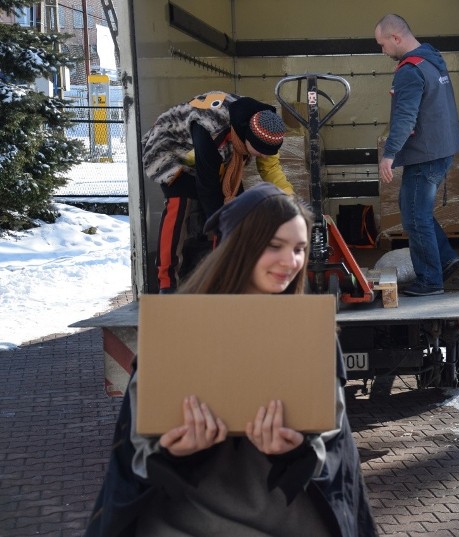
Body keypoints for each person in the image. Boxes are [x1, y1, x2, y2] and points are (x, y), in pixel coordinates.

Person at [85, 183, 377, 537]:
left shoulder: (310, 333)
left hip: (291, 521)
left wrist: (295, 453)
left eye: (299, 249)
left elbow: (332, 448)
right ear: (237, 247)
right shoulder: (177, 331)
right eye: (275, 246)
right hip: (183, 523)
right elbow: (136, 455)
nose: (291, 262)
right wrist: (174, 454)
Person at [141, 92, 295, 293]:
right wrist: (219, 221)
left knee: (237, 211)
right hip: (172, 148)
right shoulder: (211, 128)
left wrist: (289, 199)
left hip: (217, 157)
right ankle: (167, 282)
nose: (265, 155)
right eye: (260, 151)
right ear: (246, 138)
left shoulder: (264, 127)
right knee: (180, 204)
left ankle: (227, 280)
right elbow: (208, 187)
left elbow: (270, 169)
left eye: (269, 152)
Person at [374, 13, 459, 296]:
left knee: (415, 217)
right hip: (441, 148)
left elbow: (405, 119)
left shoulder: (409, 70)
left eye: (383, 45)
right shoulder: (430, 59)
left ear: (395, 38)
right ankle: (446, 258)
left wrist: (388, 154)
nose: (383, 51)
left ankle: (430, 280)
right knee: (413, 208)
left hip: (425, 153)